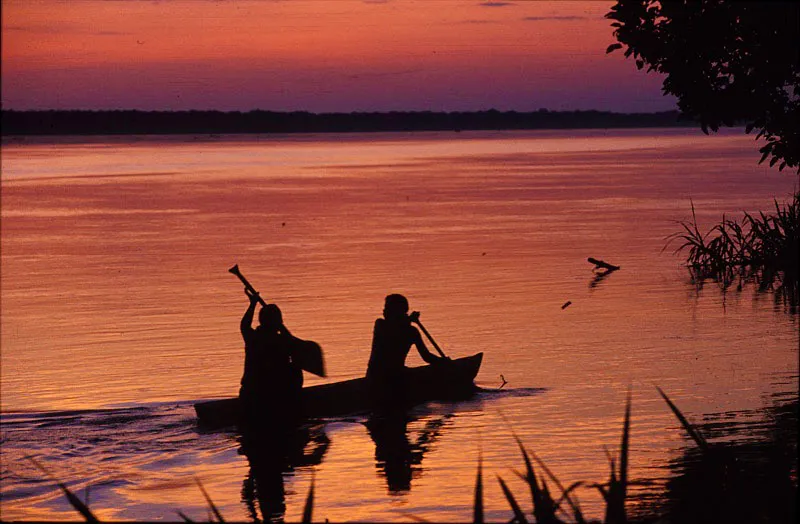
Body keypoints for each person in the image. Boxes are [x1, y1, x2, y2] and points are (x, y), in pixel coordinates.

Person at [238, 288, 303, 433]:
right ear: (278, 322)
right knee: (295, 368)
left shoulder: (252, 338)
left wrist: (253, 303)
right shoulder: (280, 341)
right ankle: (296, 403)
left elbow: (244, 326)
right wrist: (281, 327)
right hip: (271, 396)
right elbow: (295, 347)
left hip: (249, 393)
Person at [366, 294, 447, 409]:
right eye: (385, 308)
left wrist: (443, 362)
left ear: (397, 311)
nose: (384, 311)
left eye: (388, 308)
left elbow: (426, 356)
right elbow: (394, 330)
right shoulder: (381, 325)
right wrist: (409, 320)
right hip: (380, 377)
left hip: (395, 377)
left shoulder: (410, 331)